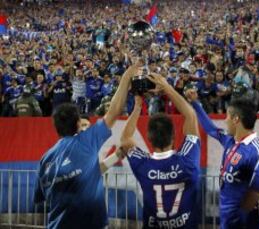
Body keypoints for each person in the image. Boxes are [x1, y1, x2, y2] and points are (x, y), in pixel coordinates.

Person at [33, 63, 141, 229]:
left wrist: (118, 155)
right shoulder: (86, 141)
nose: (84, 128)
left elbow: (41, 198)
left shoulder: (45, 159)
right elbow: (115, 109)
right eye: (82, 125)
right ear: (77, 124)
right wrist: (126, 76)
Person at [119, 72, 201, 229]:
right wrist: (167, 87)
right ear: (174, 136)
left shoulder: (143, 165)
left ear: (148, 139)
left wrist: (137, 106)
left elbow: (125, 139)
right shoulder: (187, 161)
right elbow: (191, 116)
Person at [185, 88, 259, 229]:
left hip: (242, 222)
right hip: (226, 219)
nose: (225, 120)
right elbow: (210, 129)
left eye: (227, 116)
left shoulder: (255, 152)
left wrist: (241, 216)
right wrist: (195, 103)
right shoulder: (229, 140)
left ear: (236, 119)